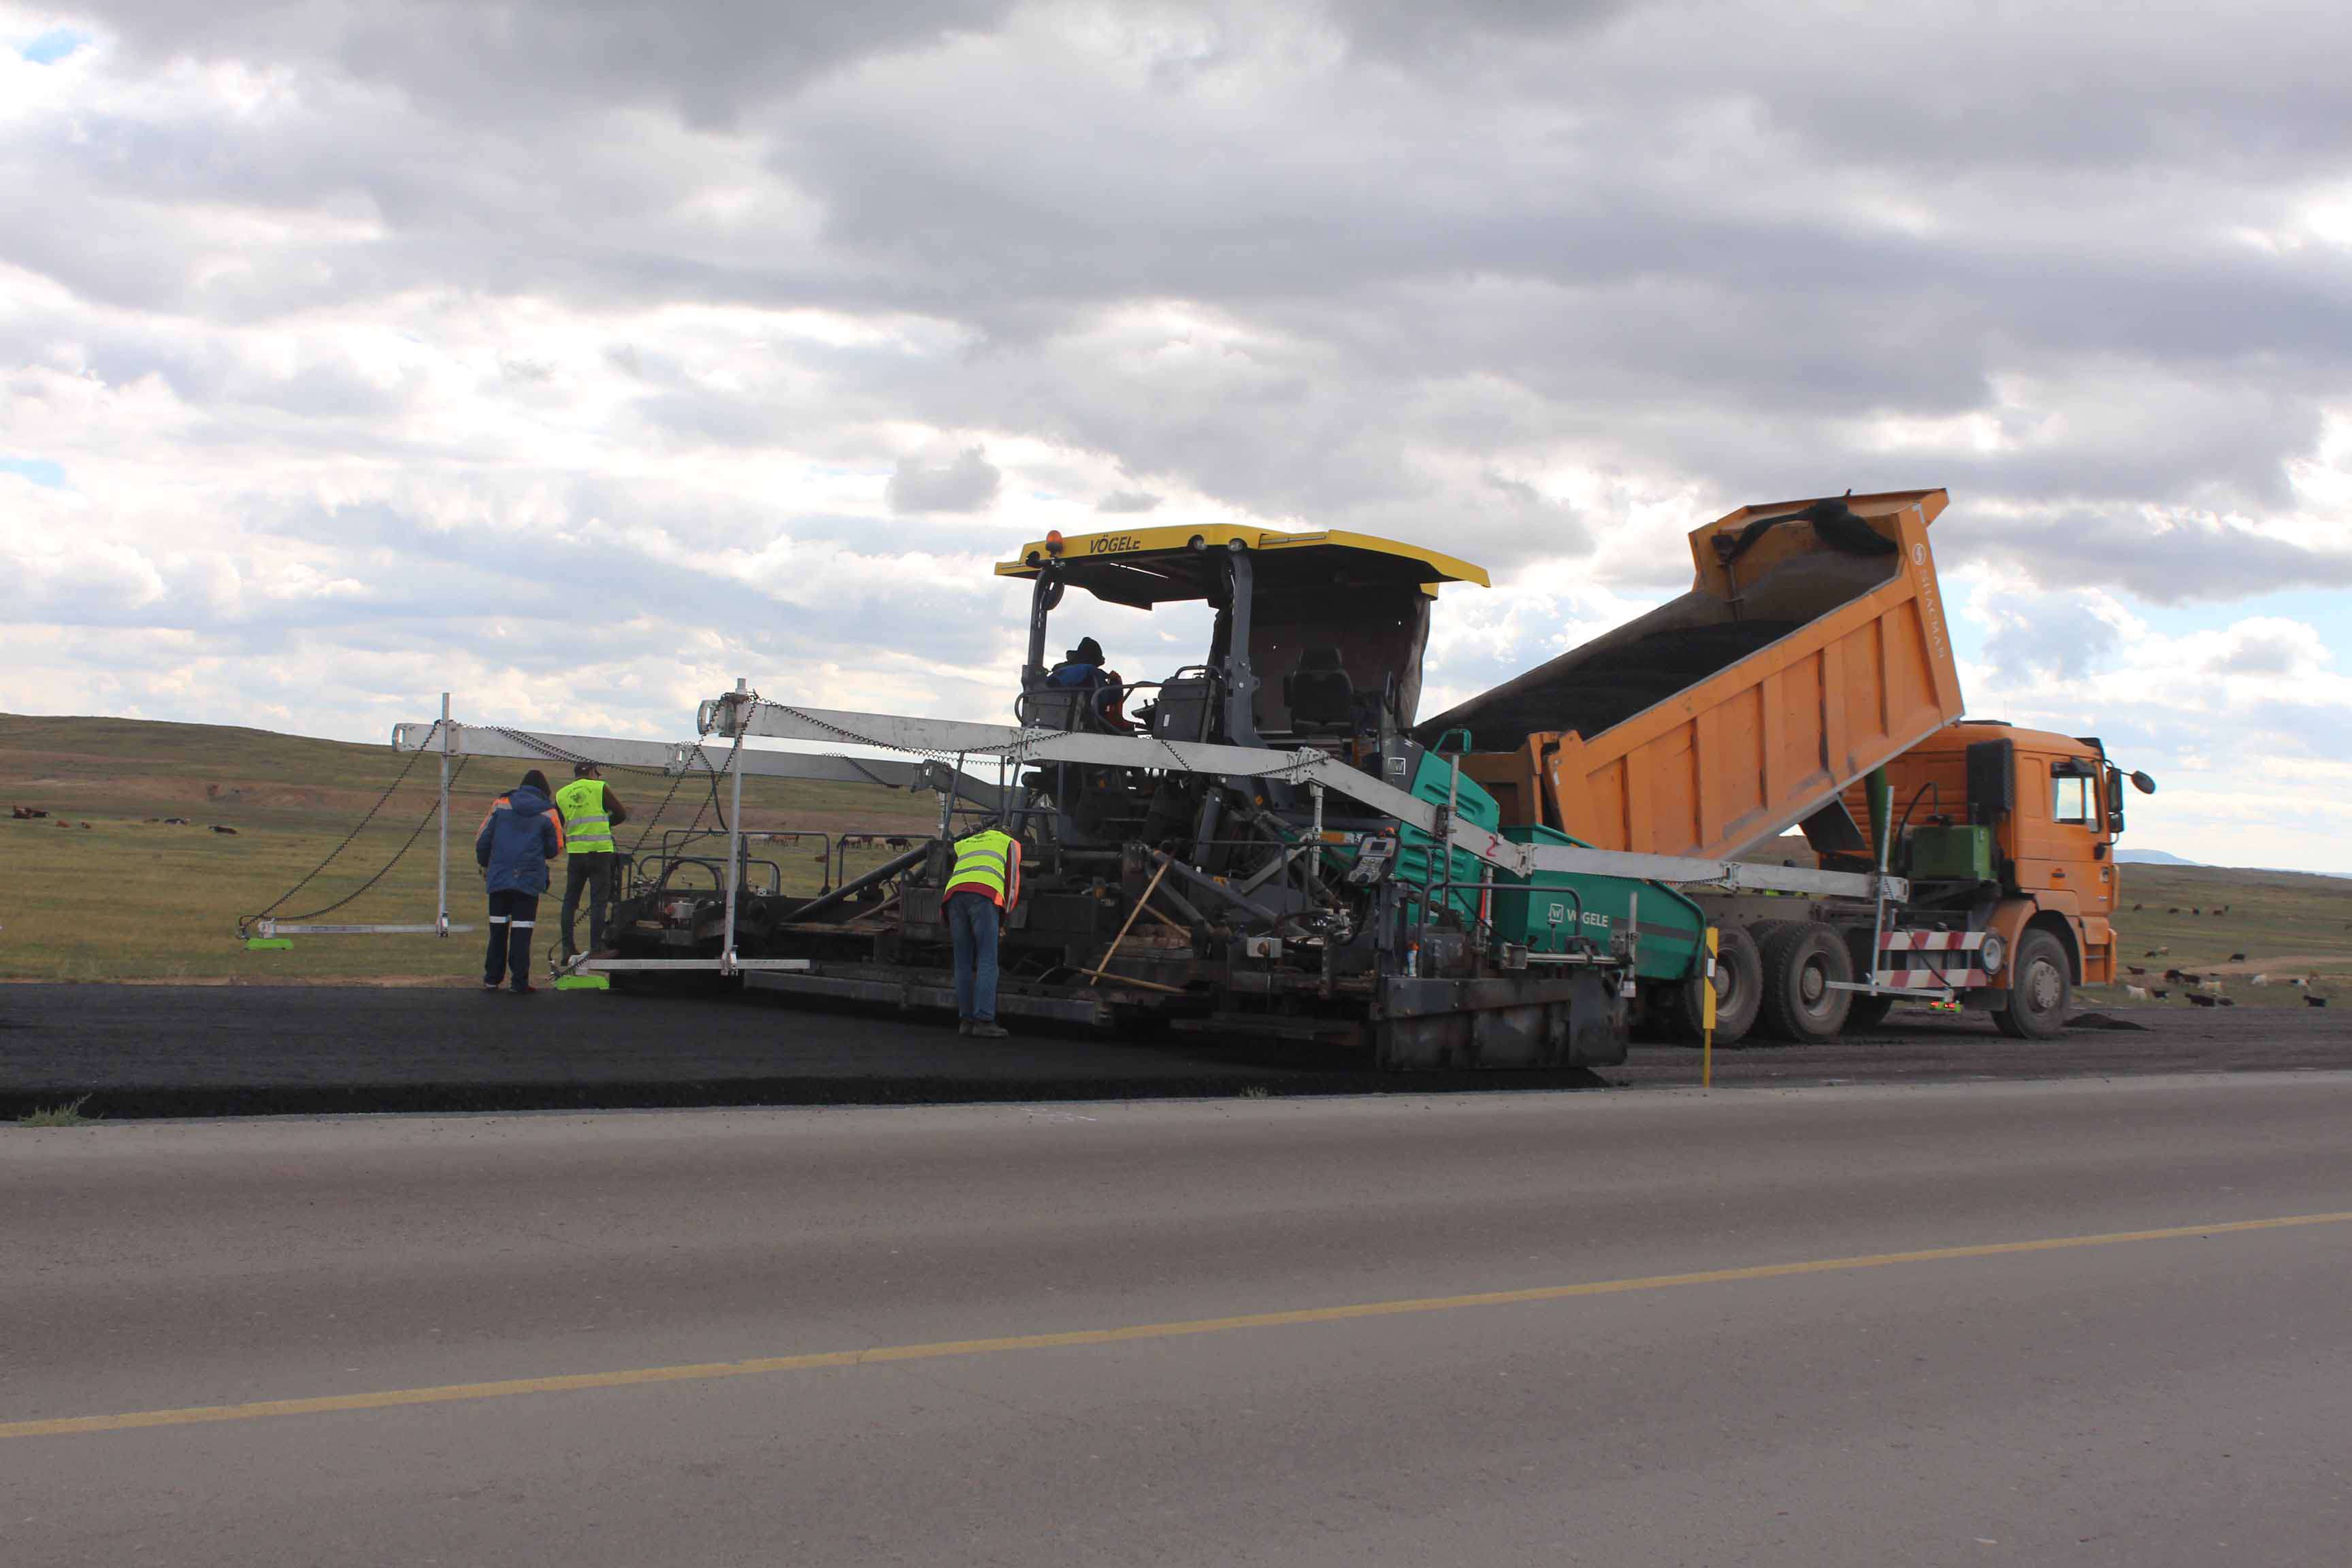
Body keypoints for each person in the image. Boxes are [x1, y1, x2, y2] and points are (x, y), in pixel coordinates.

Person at [474, 768, 565, 993]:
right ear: (545, 791)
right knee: (522, 932)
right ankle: (519, 982)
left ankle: (492, 979)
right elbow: (555, 848)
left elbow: (482, 839)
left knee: (498, 930)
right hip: (529, 881)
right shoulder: (549, 812)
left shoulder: (501, 803)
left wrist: (486, 864)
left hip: (498, 879)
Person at [943, 823, 1022, 1038]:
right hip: (984, 896)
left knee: (963, 961)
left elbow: (953, 861)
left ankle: (966, 1020)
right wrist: (1004, 920)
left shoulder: (966, 842)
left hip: (954, 897)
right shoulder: (1009, 843)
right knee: (987, 960)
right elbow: (1012, 884)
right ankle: (984, 1020)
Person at [553, 762, 629, 966]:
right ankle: (597, 948)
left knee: (570, 902)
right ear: (593, 773)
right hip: (600, 852)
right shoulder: (599, 787)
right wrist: (606, 823)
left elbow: (557, 822)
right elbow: (620, 813)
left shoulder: (562, 794)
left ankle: (567, 949)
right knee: (598, 902)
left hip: (576, 854)